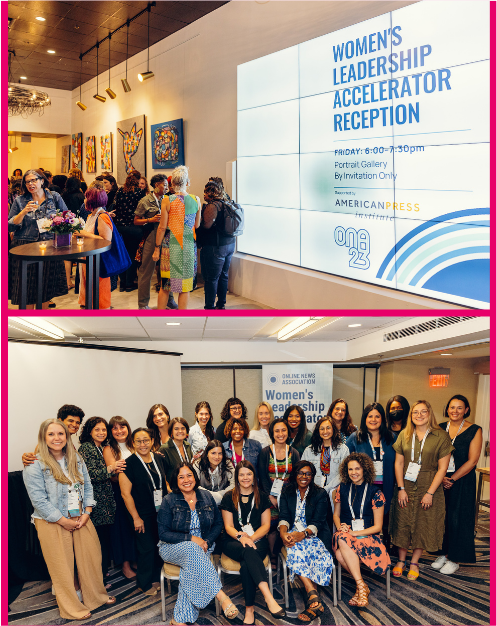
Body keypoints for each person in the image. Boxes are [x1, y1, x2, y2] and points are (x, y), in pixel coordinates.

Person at [23, 419, 116, 620]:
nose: (57, 438)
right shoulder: (35, 464)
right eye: (51, 434)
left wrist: (87, 511)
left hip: (81, 517)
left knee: (91, 558)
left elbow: (88, 486)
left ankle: (96, 597)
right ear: (43, 437)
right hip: (51, 521)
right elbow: (38, 500)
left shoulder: (76, 459)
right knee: (62, 567)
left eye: (60, 434)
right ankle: (72, 608)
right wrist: (62, 520)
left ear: (67, 436)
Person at [158, 462, 238, 624]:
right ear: (176, 480)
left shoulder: (206, 496)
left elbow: (218, 523)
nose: (186, 480)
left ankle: (178, 619)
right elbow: (163, 533)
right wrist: (192, 539)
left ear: (195, 477)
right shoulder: (169, 500)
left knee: (190, 569)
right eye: (181, 477)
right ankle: (221, 596)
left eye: (189, 475)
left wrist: (207, 541)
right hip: (171, 547)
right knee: (191, 548)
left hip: (204, 546)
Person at [389, 400, 453, 581]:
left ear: (429, 413)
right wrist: (400, 488)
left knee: (423, 524)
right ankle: (401, 560)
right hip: (406, 485)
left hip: (429, 484)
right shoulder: (404, 434)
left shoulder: (441, 436)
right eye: (415, 412)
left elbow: (443, 468)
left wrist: (430, 493)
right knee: (402, 523)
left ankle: (415, 562)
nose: (419, 415)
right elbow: (399, 463)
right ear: (411, 415)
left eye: (423, 411)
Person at [220, 460, 286, 624]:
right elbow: (228, 527)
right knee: (247, 551)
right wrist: (242, 537)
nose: (245, 477)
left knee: (246, 562)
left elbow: (266, 525)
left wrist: (251, 538)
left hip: (257, 540)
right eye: (241, 474)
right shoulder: (229, 496)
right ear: (237, 477)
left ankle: (249, 609)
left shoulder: (262, 496)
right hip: (233, 541)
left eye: (248, 474)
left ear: (254, 476)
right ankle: (268, 596)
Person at [332, 452, 391, 607]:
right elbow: (336, 515)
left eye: (357, 468)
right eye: (350, 469)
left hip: (368, 536)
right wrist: (340, 526)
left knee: (339, 553)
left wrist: (354, 533)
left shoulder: (376, 493)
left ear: (365, 470)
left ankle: (361, 587)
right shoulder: (341, 489)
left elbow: (378, 527)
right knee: (342, 538)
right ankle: (362, 586)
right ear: (346, 471)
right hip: (345, 533)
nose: (354, 473)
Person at [278, 461, 334, 622]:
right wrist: (283, 534)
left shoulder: (320, 493)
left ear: (312, 476)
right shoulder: (287, 491)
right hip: (292, 534)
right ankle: (314, 597)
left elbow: (318, 521)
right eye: (301, 473)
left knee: (306, 549)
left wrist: (303, 534)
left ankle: (312, 598)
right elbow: (284, 517)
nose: (304, 477)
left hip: (314, 534)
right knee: (295, 547)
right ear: (295, 474)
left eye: (308, 474)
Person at [434, 395, 483, 575]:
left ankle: (455, 558)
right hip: (440, 479)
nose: (455, 411)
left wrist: (452, 478)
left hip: (462, 481)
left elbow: (472, 461)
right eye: (452, 407)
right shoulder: (439, 428)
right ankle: (443, 553)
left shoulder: (474, 430)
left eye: (459, 408)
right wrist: (442, 478)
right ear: (447, 409)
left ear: (466, 410)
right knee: (442, 518)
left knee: (458, 519)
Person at [8, 169, 69, 308]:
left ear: (42, 181)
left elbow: (66, 217)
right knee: (26, 289)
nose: (30, 184)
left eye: (34, 180)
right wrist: (23, 212)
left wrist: (58, 225)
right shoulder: (20, 200)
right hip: (24, 246)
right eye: (27, 181)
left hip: (49, 247)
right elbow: (9, 227)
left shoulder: (54, 197)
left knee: (46, 287)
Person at [119, 428, 167, 596]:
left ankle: (155, 577)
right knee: (146, 548)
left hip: (160, 511)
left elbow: (164, 482)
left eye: (146, 440)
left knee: (158, 546)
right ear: (133, 443)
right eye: (138, 441)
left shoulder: (159, 458)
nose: (143, 444)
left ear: (152, 441)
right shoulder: (128, 464)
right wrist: (136, 517)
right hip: (141, 513)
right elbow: (125, 494)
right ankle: (144, 584)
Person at [346, 403, 397, 549]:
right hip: (363, 488)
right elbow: (346, 462)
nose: (373, 419)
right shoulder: (355, 438)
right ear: (364, 418)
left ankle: (380, 550)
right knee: (365, 519)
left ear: (382, 419)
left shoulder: (391, 438)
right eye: (370, 416)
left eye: (377, 416)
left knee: (382, 521)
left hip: (385, 486)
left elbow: (399, 462)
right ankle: (363, 549)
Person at [152, 165, 201, 310]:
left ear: (172, 183)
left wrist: (156, 248)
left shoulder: (167, 200)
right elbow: (197, 225)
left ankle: (160, 318)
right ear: (188, 183)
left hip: (169, 245)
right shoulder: (196, 199)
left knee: (166, 285)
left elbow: (161, 227)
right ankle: (181, 319)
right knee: (184, 286)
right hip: (187, 245)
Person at [78, 417, 116, 578]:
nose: (101, 433)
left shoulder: (99, 448)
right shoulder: (86, 448)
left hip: (104, 502)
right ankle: (98, 575)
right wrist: (111, 468)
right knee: (97, 541)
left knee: (104, 539)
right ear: (89, 431)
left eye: (104, 430)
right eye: (97, 430)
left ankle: (103, 571)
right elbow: (90, 475)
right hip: (95, 502)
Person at [258, 418, 300, 564]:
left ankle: (285, 555)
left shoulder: (293, 452)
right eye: (277, 431)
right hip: (268, 496)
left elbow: (296, 477)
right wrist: (271, 496)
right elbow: (262, 477)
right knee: (271, 526)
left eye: (283, 430)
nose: (280, 434)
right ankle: (273, 557)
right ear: (272, 433)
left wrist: (285, 498)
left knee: (286, 524)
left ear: (288, 433)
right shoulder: (265, 452)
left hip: (288, 496)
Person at [134, 174, 177, 310]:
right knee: (146, 270)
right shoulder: (145, 201)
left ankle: (169, 300)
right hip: (152, 236)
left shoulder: (168, 199)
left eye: (167, 185)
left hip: (167, 236)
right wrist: (150, 220)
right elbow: (136, 220)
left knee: (166, 270)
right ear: (156, 185)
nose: (166, 188)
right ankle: (143, 304)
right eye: (164, 185)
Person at [102, 416, 137, 580]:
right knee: (122, 529)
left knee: (136, 527)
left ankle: (135, 558)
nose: (119, 431)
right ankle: (125, 565)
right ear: (111, 432)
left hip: (138, 492)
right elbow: (113, 475)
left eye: (122, 426)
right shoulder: (109, 449)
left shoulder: (134, 444)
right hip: (119, 493)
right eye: (114, 428)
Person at [197, 179, 236, 310]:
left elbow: (206, 226)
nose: (204, 194)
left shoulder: (213, 206)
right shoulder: (227, 203)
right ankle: (221, 304)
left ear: (212, 192)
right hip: (229, 245)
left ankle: (209, 306)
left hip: (215, 247)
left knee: (211, 278)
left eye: (206, 191)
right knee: (224, 275)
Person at [76, 187, 113, 309]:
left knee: (99, 285)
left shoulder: (102, 217)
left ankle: (100, 308)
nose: (84, 200)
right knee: (88, 283)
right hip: (89, 256)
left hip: (98, 258)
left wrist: (84, 234)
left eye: (86, 197)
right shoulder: (92, 216)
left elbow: (106, 240)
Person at [112, 172, 146, 292]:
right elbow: (142, 209)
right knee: (132, 255)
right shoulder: (139, 192)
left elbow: (114, 206)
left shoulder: (120, 191)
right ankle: (129, 282)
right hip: (134, 227)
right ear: (136, 182)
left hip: (120, 227)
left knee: (122, 254)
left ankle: (122, 283)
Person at [302, 415, 349, 496]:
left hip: (335, 491)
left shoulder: (343, 449)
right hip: (313, 491)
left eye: (328, 428)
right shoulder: (309, 450)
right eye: (322, 429)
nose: (325, 431)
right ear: (318, 431)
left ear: (333, 429)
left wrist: (327, 489)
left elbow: (344, 473)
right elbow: (303, 471)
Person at [61, 176, 86, 289]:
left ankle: (67, 281)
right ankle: (79, 281)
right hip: (77, 225)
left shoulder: (63, 195)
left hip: (65, 225)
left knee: (67, 254)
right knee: (79, 254)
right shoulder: (81, 196)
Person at [193, 440, 235, 505]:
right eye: (213, 453)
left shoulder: (227, 463)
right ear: (207, 454)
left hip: (223, 499)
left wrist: (219, 495)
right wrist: (212, 496)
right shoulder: (198, 464)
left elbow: (234, 484)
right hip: (203, 500)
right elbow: (195, 485)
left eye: (220, 453)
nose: (217, 457)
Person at [159, 417, 193, 487]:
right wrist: (169, 491)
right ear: (171, 431)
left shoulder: (187, 446)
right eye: (176, 429)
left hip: (187, 486)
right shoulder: (165, 449)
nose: (180, 431)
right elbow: (161, 475)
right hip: (173, 490)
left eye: (183, 428)